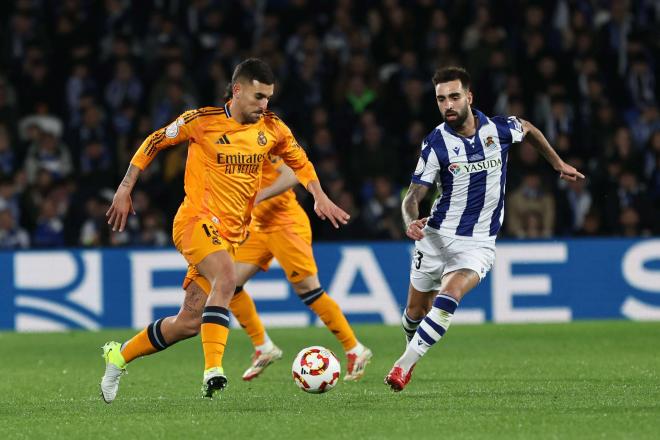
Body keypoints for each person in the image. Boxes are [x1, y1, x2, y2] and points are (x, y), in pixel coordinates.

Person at [100, 58, 349, 402]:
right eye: (259, 97)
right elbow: (156, 140)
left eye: (269, 98)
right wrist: (126, 187)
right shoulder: (201, 121)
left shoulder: (273, 129)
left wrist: (319, 195)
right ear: (237, 90)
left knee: (187, 322)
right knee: (228, 278)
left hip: (231, 235)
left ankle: (119, 355)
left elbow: (300, 162)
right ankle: (213, 370)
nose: (265, 106)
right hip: (194, 222)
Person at [384, 67, 584, 392]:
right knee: (415, 312)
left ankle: (403, 366)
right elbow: (413, 196)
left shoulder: (499, 128)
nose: (447, 104)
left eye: (453, 96)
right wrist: (411, 222)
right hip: (435, 238)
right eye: (440, 99)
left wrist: (557, 163)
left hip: (478, 243)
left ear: (469, 97)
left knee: (450, 295)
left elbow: (529, 129)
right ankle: (413, 350)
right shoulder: (435, 144)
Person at [199, 155, 372, 383]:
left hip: (286, 224)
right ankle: (263, 346)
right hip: (257, 227)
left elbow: (292, 174)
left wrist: (259, 197)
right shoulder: (228, 143)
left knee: (308, 290)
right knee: (228, 283)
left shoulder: (263, 141)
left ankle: (355, 349)